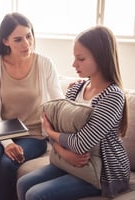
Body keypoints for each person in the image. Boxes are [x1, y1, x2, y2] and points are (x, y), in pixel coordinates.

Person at [17, 25, 130, 200]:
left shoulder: (113, 96)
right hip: (71, 162)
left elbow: (80, 144)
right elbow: (57, 128)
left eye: (81, 58)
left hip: (104, 172)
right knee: (22, 183)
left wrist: (51, 131)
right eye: (74, 57)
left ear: (101, 58)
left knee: (35, 195)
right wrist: (63, 153)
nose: (73, 64)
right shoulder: (75, 89)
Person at [0, 12, 64, 200]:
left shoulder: (44, 63)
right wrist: (7, 142)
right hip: (1, 129)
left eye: (29, 36)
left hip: (33, 134)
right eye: (18, 39)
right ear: (5, 41)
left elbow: (59, 102)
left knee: (8, 164)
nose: (26, 44)